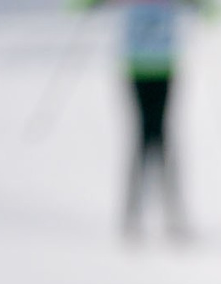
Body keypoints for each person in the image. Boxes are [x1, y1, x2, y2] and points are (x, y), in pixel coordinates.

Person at [78, 0, 203, 240]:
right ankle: (133, 214)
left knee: (161, 139)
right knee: (143, 139)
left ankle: (171, 214)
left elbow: (214, 12)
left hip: (165, 67)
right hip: (137, 67)